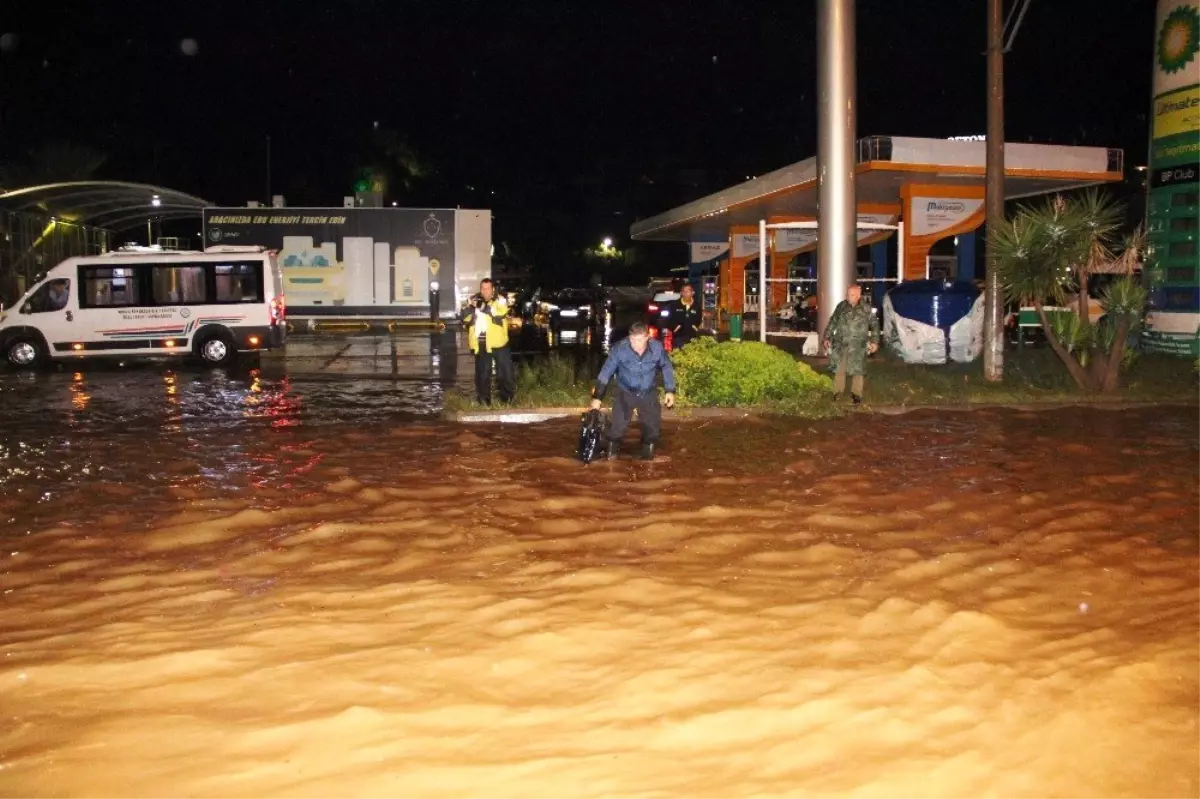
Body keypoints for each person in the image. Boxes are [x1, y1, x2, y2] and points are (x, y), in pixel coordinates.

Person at [590, 321, 676, 460]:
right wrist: (597, 397)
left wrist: (670, 390)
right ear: (629, 337)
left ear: (648, 337)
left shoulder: (657, 348)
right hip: (625, 393)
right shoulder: (619, 349)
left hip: (648, 393)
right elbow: (606, 372)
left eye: (640, 340)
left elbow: (666, 367)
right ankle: (610, 460)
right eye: (633, 340)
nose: (636, 344)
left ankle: (647, 463)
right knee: (616, 430)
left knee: (652, 432)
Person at [822, 283, 879, 405]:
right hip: (841, 343)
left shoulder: (866, 308)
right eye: (848, 294)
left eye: (852, 294)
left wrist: (874, 341)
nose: (849, 297)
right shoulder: (841, 306)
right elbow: (833, 322)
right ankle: (837, 392)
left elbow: (874, 326)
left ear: (859, 295)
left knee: (858, 370)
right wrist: (827, 337)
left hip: (858, 345)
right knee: (839, 368)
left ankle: (856, 394)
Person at [466, 278, 515, 405]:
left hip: (499, 343)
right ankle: (483, 402)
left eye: (488, 288)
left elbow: (500, 312)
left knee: (505, 373)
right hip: (481, 344)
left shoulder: (500, 300)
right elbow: (465, 318)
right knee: (482, 375)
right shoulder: (475, 300)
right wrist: (469, 307)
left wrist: (482, 306)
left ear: (493, 289)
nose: (485, 291)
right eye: (482, 288)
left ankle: (507, 400)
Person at [664, 283, 703, 348]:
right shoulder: (674, 305)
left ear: (692, 293)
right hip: (678, 337)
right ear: (681, 293)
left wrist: (694, 327)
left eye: (688, 291)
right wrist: (675, 328)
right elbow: (668, 319)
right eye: (683, 291)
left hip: (692, 336)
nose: (685, 293)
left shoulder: (697, 305)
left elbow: (699, 319)